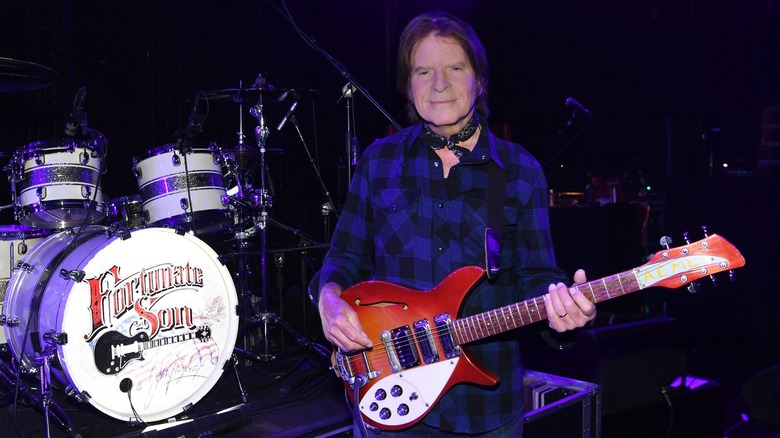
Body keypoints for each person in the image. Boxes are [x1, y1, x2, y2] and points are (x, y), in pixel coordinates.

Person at [308, 11, 596, 437]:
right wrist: (329, 298)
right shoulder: (379, 161)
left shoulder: (519, 169)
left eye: (455, 68)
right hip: (387, 393)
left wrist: (560, 310)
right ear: (409, 85)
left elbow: (536, 275)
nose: (438, 83)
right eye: (423, 71)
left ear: (478, 79)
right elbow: (345, 255)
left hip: (482, 411)